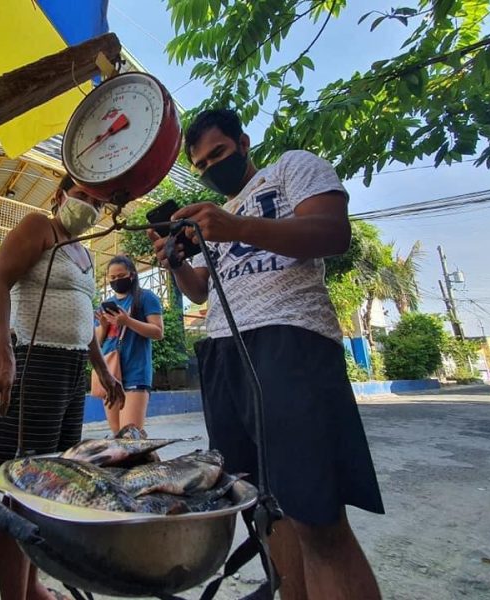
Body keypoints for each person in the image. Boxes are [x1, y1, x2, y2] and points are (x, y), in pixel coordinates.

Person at [148, 108, 384, 600]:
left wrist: (236, 227)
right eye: (201, 163)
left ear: (244, 142)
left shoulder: (291, 168)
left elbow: (332, 233)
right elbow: (199, 292)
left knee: (317, 518)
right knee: (264, 507)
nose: (212, 166)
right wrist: (175, 261)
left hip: (290, 340)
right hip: (224, 353)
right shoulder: (219, 218)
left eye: (220, 153)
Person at [0, 174, 125, 600]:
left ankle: (32, 586)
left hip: (70, 371)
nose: (89, 207)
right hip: (33, 365)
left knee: (47, 488)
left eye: (97, 201)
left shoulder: (84, 254)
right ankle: (16, 596)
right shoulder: (38, 227)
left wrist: (102, 369)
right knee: (19, 492)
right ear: (60, 196)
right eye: (81, 196)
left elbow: (85, 321)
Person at [94, 255, 163, 433]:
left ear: (132, 275)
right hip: (111, 374)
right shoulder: (105, 306)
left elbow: (158, 331)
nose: (117, 280)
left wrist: (127, 322)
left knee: (130, 438)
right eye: (113, 278)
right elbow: (97, 342)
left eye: (121, 276)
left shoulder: (145, 297)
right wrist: (103, 326)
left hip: (135, 374)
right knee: (117, 436)